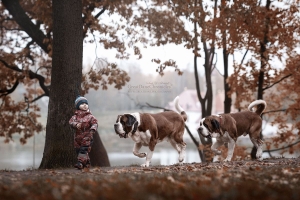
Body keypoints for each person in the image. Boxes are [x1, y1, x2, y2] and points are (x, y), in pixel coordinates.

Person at [69, 95, 98, 169]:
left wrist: (92, 129)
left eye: (86, 103)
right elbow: (71, 122)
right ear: (78, 106)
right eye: (82, 104)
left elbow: (95, 123)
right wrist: (76, 124)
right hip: (77, 138)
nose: (85, 105)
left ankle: (80, 163)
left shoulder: (90, 116)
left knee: (83, 151)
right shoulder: (75, 116)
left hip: (87, 137)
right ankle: (87, 164)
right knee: (78, 151)